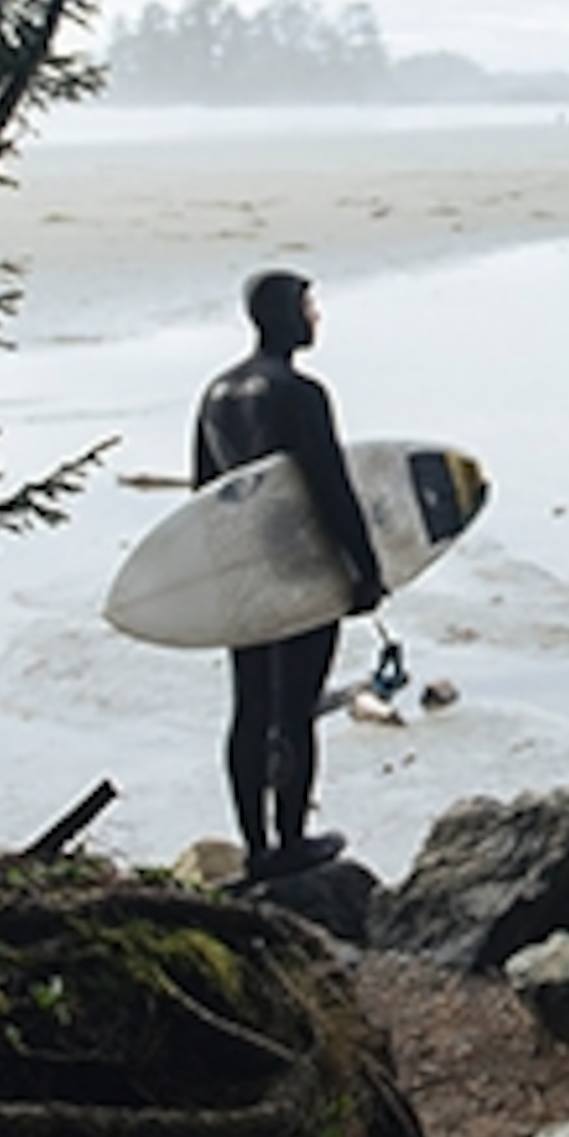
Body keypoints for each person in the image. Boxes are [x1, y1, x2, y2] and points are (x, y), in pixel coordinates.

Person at [194, 269, 383, 879]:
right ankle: (293, 842)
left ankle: (255, 847)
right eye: (307, 307)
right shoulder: (300, 393)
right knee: (295, 710)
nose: (315, 318)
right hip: (298, 570)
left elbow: (204, 496)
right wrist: (365, 569)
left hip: (244, 573)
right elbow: (331, 486)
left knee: (249, 709)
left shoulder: (216, 394)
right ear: (280, 315)